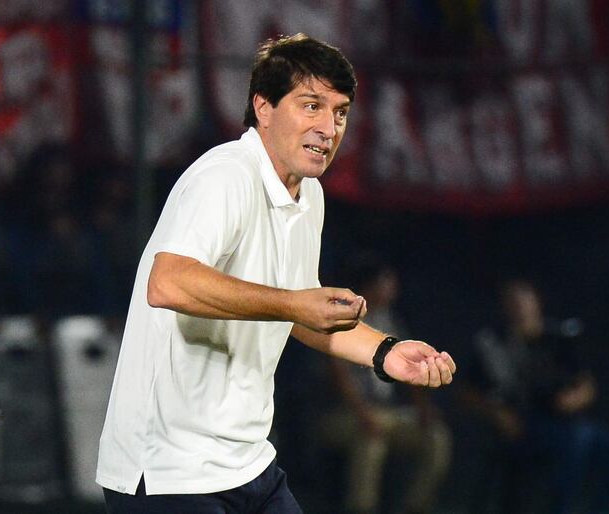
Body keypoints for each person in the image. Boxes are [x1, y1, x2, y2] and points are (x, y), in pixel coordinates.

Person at [96, 33, 456, 514]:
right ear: (263, 107)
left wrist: (384, 352)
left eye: (340, 112)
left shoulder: (310, 196)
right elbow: (167, 283)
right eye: (311, 106)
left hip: (249, 466)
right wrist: (291, 303)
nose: (329, 127)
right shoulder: (223, 176)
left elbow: (305, 313)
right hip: (166, 473)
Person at [460, 279, 609, 514]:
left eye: (524, 301)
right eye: (513, 303)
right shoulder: (492, 343)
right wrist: (497, 414)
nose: (520, 308)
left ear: (537, 303)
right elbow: (466, 392)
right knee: (574, 441)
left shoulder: (558, 337)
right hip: (524, 424)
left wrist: (575, 398)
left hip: (567, 422)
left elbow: (586, 385)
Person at [320, 254, 452, 514]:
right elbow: (339, 377)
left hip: (387, 413)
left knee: (436, 437)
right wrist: (363, 414)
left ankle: (416, 507)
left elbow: (409, 371)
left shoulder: (392, 320)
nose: (392, 289)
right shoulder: (343, 318)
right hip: (344, 414)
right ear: (368, 286)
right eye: (385, 282)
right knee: (372, 442)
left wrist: (423, 408)